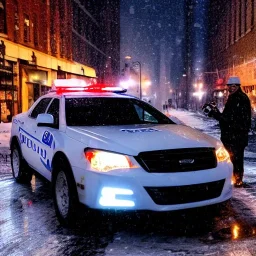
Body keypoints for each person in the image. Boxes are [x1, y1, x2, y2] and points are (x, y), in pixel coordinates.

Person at [203, 76, 251, 187]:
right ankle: (236, 179)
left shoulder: (238, 99)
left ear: (238, 87)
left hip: (235, 136)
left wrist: (214, 113)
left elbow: (229, 119)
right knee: (235, 159)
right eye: (230, 86)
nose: (231, 88)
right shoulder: (235, 97)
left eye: (234, 86)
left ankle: (237, 180)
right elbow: (228, 117)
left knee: (235, 159)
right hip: (235, 135)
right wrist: (216, 112)